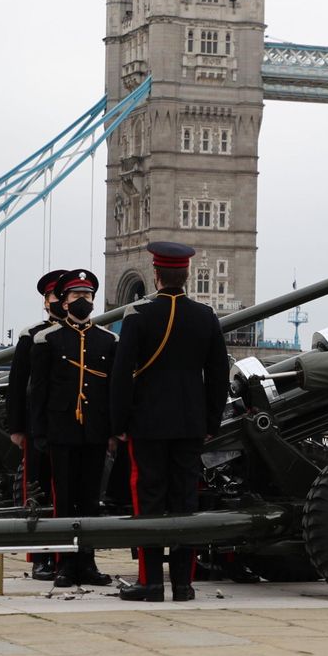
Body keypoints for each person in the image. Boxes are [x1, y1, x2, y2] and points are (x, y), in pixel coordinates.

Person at [110, 242, 229, 602]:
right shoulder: (205, 317)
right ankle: (183, 584)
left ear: (156, 275)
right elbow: (219, 375)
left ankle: (150, 583)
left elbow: (121, 375)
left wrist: (119, 422)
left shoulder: (137, 316)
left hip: (147, 424)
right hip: (190, 424)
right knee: (184, 501)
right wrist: (210, 421)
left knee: (147, 500)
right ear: (187, 275)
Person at [30, 269, 117, 588]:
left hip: (94, 431)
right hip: (61, 430)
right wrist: (38, 432)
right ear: (64, 302)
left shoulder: (108, 340)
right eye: (76, 296)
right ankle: (65, 564)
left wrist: (113, 431)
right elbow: (38, 391)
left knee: (91, 500)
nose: (83, 301)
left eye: (87, 296)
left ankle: (88, 562)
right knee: (64, 500)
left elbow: (111, 392)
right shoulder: (48, 340)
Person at [7, 269, 66, 581]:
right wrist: (16, 427)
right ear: (46, 301)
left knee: (73, 494)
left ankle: (72, 555)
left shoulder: (84, 335)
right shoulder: (31, 336)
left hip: (73, 426)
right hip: (37, 427)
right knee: (37, 492)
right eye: (55, 295)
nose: (61, 301)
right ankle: (41, 556)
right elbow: (17, 386)